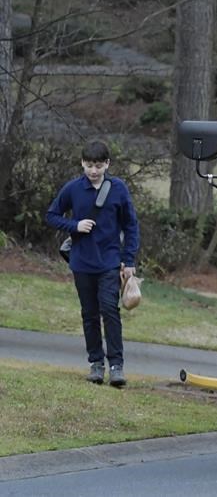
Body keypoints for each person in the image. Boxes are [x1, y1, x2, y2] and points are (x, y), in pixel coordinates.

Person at [46, 140, 139, 387]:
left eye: (98, 165)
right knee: (89, 315)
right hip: (82, 263)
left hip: (110, 263)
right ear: (82, 164)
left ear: (107, 164)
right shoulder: (73, 189)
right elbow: (52, 215)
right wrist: (74, 225)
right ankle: (96, 364)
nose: (93, 170)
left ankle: (116, 367)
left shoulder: (118, 189)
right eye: (89, 165)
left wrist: (129, 260)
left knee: (110, 311)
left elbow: (131, 226)